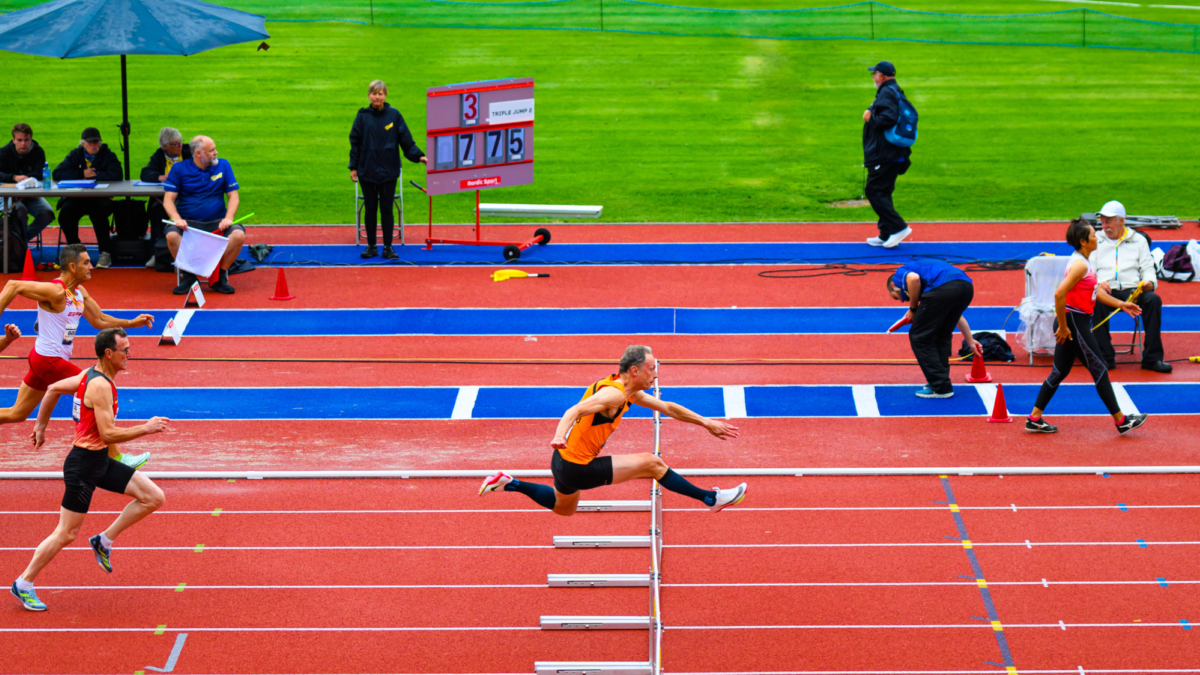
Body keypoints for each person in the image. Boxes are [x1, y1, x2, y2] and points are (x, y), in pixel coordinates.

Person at [479, 345, 747, 515]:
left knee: (563, 509)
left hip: (562, 463)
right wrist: (559, 435)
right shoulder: (614, 394)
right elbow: (573, 411)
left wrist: (707, 422)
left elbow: (667, 407)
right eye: (651, 369)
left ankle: (511, 483)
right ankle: (711, 498)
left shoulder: (629, 390)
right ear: (634, 370)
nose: (655, 376)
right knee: (653, 464)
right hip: (576, 466)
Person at [10, 328, 170, 612]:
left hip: (99, 461)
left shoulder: (90, 375)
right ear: (109, 353)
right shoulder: (99, 386)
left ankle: (103, 541)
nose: (129, 354)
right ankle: (23, 583)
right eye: (125, 350)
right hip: (83, 465)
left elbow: (53, 388)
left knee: (153, 497)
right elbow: (108, 434)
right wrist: (146, 428)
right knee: (66, 533)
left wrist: (40, 425)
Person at [0, 244, 155, 468]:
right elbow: (13, 285)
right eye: (86, 263)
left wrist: (132, 323)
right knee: (99, 385)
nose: (91, 266)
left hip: (43, 359)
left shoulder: (79, 292)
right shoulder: (56, 291)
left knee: (17, 413)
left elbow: (99, 320)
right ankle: (117, 458)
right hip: (48, 360)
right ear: (73, 267)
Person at [1027, 219, 1148, 435]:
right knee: (1099, 368)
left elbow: (1094, 291)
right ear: (1084, 241)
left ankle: (1034, 418)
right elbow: (1058, 293)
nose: (1097, 235)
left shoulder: (1084, 261)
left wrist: (1121, 303)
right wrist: (1064, 327)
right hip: (1073, 322)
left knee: (1059, 372)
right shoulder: (1081, 264)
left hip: (1074, 321)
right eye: (1093, 234)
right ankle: (1121, 421)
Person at [1089, 201, 1171, 374]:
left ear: (1121, 220)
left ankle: (1152, 358)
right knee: (1095, 299)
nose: (1104, 226)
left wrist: (1149, 283)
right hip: (1106, 290)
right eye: (1102, 221)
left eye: (1108, 221)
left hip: (1133, 291)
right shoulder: (1095, 240)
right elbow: (1088, 269)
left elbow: (1148, 268)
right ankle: (1105, 357)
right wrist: (1096, 284)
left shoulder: (1139, 240)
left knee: (1153, 300)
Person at [349, 80, 426, 260]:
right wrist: (353, 167)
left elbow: (406, 140)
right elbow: (355, 143)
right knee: (370, 209)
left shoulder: (394, 115)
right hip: (367, 171)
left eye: (380, 93)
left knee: (387, 209)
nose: (377, 97)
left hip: (389, 171)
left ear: (386, 95)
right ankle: (371, 246)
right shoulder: (362, 117)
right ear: (369, 95)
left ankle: (388, 247)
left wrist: (418, 156)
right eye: (374, 94)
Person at [162, 135, 243, 295]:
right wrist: (177, 220)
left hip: (218, 222)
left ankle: (219, 277)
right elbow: (168, 200)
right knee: (171, 236)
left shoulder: (224, 165)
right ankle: (189, 277)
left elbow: (233, 196)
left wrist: (229, 218)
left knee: (238, 235)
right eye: (211, 150)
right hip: (188, 224)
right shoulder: (179, 169)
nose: (216, 152)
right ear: (198, 153)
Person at [887, 260, 980, 398]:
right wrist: (970, 340)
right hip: (966, 287)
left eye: (896, 297)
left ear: (894, 285)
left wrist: (913, 309)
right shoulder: (929, 275)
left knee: (919, 336)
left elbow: (913, 279)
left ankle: (940, 386)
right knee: (941, 333)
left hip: (943, 289)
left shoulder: (899, 274)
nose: (902, 301)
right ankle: (939, 384)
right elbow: (957, 316)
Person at [52, 127, 123, 269]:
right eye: (90, 142)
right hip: (77, 199)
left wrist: (95, 175)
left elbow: (117, 174)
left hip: (100, 198)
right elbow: (57, 173)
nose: (93, 145)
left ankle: (105, 252)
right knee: (66, 213)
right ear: (83, 143)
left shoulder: (108, 155)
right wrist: (81, 173)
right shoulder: (75, 155)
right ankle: (76, 252)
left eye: (96, 142)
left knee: (98, 212)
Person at [862, 61, 913, 249]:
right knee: (883, 191)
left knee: (874, 191)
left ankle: (899, 228)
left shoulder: (886, 92)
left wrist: (869, 118)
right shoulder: (894, 90)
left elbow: (888, 119)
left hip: (886, 153)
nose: (873, 78)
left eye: (874, 74)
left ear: (881, 75)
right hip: (894, 152)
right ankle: (886, 233)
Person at [140, 127, 192, 268]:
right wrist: (161, 177)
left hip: (188, 198)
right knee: (157, 211)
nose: (180, 146)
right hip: (165, 199)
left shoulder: (189, 152)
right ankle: (156, 254)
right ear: (165, 146)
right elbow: (145, 174)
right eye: (176, 144)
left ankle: (188, 254)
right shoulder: (158, 156)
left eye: (180, 142)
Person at [0, 123, 55, 242]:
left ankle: (19, 242)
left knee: (47, 214)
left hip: (31, 194)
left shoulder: (38, 151)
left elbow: (40, 173)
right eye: (19, 140)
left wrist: (24, 179)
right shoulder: (3, 152)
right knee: (20, 210)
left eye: (26, 140)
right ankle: (19, 246)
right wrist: (14, 177)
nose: (23, 144)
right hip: (6, 195)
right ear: (13, 140)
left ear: (31, 139)